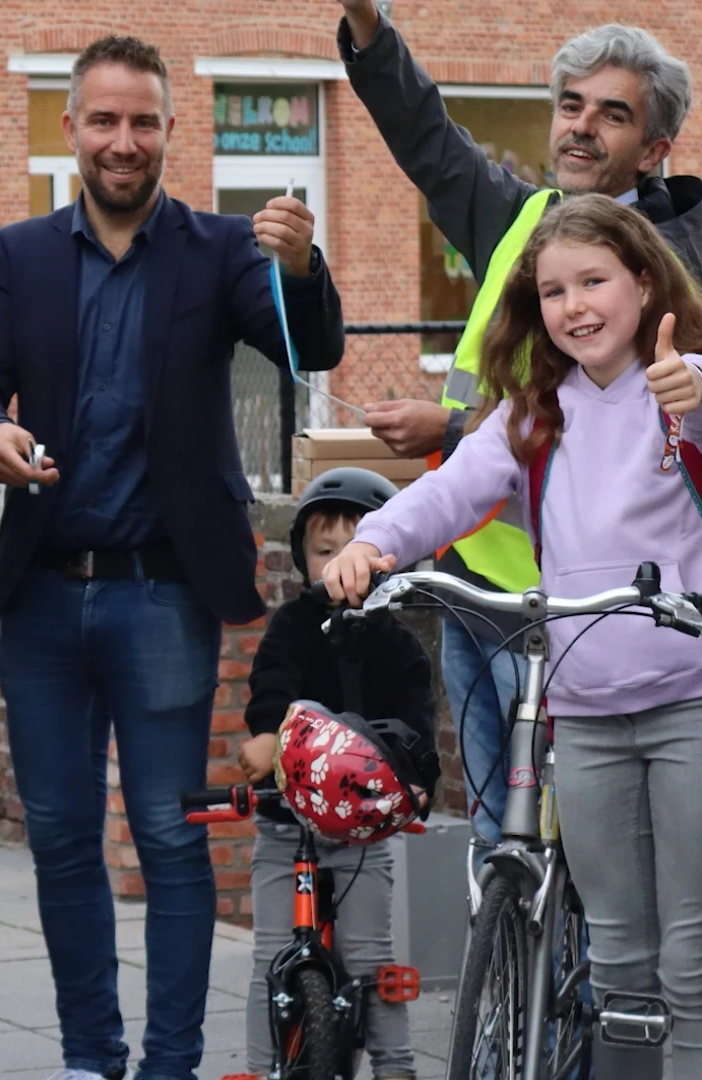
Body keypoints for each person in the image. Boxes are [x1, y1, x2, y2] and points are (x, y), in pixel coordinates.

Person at [0, 35, 344, 1080]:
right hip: (40, 600)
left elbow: (310, 351)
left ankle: (169, 1064)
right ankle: (91, 1059)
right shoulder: (20, 253)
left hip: (162, 595)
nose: (124, 142)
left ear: (171, 131)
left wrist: (300, 269)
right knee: (64, 842)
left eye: (144, 122)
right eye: (104, 121)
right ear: (70, 129)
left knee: (173, 842)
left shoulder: (218, 252)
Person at [322, 194, 702, 1077]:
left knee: (691, 953)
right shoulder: (538, 412)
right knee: (617, 957)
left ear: (644, 284)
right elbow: (452, 491)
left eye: (595, 281)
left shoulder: (680, 385)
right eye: (553, 291)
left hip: (688, 701)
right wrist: (375, 542)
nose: (575, 306)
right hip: (587, 712)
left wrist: (693, 391)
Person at [334, 0, 701, 848]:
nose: (581, 127)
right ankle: (509, 973)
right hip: (484, 585)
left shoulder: (679, 254)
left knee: (597, 851)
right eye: (570, 105)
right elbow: (429, 139)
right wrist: (367, 27)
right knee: (505, 844)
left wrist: (449, 420)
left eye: (613, 114)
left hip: (616, 622)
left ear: (654, 150)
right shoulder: (519, 219)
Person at [226, 467, 437, 1080]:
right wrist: (267, 737)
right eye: (324, 553)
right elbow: (273, 683)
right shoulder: (293, 625)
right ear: (302, 558)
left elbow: (415, 719)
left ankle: (395, 1067)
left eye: (353, 553)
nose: (339, 567)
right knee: (271, 956)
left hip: (365, 834)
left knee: (374, 963)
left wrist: (418, 778)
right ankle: (260, 1068)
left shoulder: (398, 643)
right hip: (286, 825)